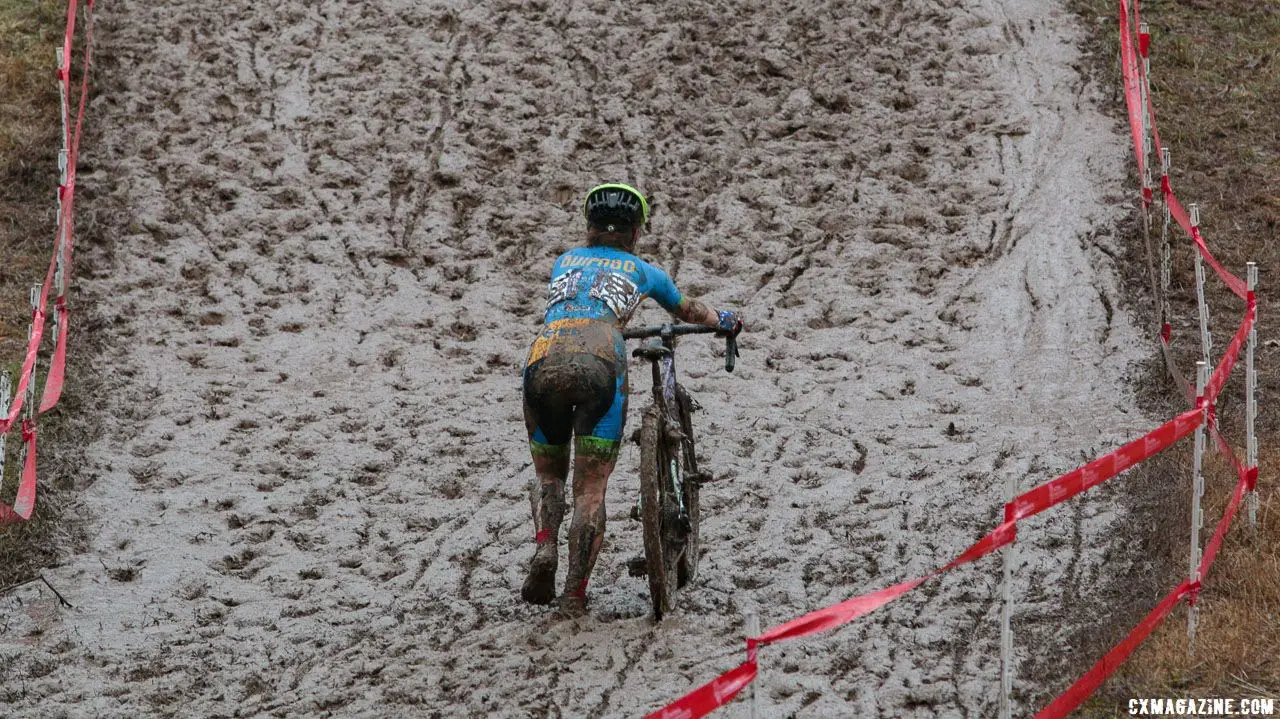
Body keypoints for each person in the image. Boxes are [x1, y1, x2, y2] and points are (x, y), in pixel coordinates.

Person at [521, 183, 744, 616]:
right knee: (590, 488)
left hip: (544, 354)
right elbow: (688, 312)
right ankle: (573, 595)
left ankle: (546, 547)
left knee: (550, 474)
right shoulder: (645, 271)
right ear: (637, 230)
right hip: (601, 356)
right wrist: (726, 320)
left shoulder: (564, 261)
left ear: (588, 225)